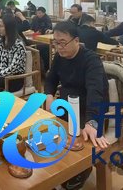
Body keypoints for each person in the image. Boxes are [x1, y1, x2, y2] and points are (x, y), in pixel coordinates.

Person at [45, 21, 109, 190]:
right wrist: (49, 95)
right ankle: (56, 171)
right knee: (49, 134)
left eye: (63, 43)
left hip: (90, 109)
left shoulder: (91, 60)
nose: (59, 47)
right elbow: (51, 79)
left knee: (81, 143)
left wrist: (92, 122)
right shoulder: (59, 57)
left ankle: (77, 174)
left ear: (76, 41)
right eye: (56, 43)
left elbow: (95, 92)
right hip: (68, 106)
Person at [0, 14, 26, 92]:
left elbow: (13, 68)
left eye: (1, 26)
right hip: (1, 74)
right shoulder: (1, 41)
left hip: (14, 78)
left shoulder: (18, 44)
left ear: (9, 27)